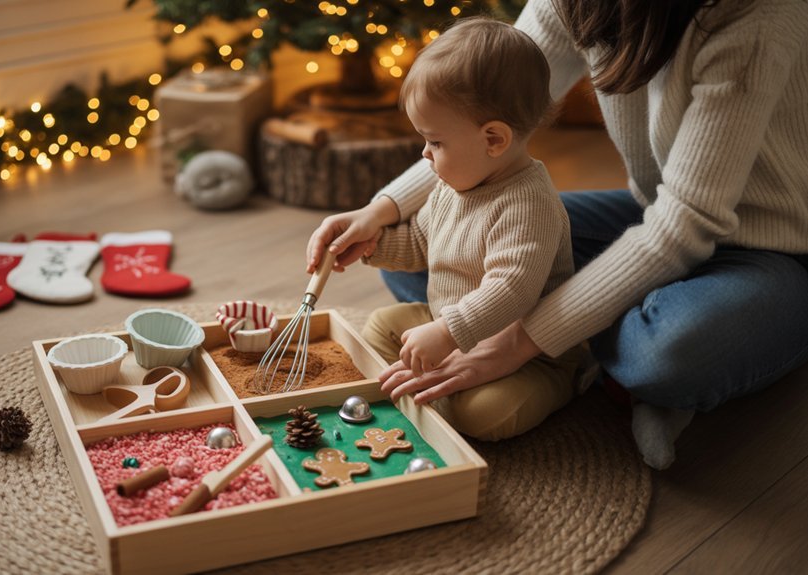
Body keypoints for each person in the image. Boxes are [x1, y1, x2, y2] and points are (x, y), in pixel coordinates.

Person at [307, 0, 808, 469]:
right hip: (654, 211)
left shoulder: (756, 16)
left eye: (430, 144)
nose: (425, 153)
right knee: (443, 263)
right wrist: (379, 214)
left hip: (774, 242)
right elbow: (476, 105)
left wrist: (518, 341)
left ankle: (587, 359)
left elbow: (686, 222)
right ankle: (614, 329)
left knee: (664, 356)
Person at [343, 17, 591, 442]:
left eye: (435, 142)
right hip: (451, 321)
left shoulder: (528, 203)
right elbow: (422, 241)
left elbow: (512, 289)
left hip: (528, 353)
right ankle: (438, 382)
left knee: (485, 417)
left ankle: (575, 379)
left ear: (493, 139)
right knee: (380, 326)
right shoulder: (452, 183)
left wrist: (446, 333)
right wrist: (373, 245)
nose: (425, 154)